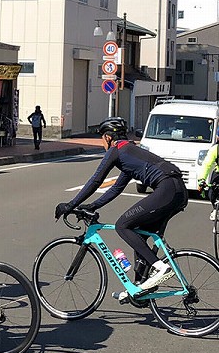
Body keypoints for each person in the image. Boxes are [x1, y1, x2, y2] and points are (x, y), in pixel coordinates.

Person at [54, 117, 188, 303]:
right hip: (178, 190)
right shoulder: (130, 152)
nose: (102, 142)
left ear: (108, 138)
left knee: (122, 225)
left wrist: (71, 205)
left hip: (166, 189)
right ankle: (140, 288)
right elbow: (116, 188)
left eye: (102, 138)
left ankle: (161, 268)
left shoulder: (117, 150)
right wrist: (93, 205)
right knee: (140, 234)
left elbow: (96, 180)